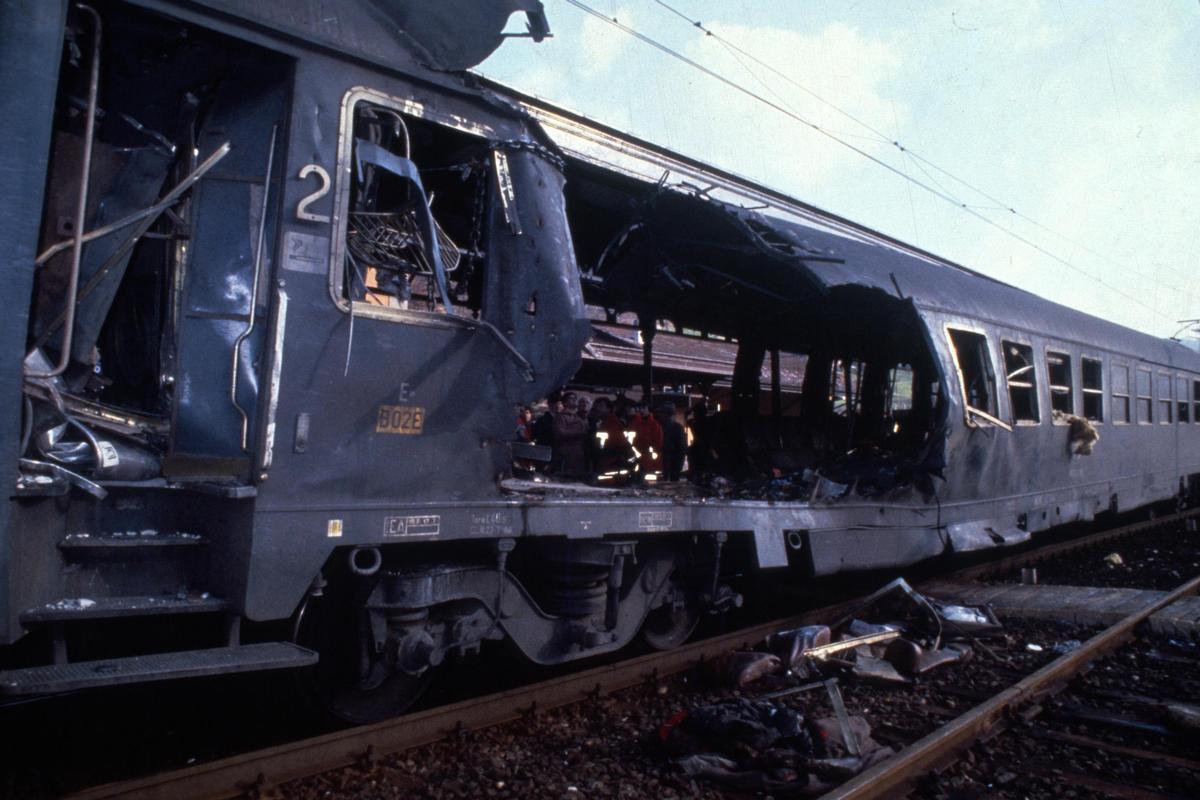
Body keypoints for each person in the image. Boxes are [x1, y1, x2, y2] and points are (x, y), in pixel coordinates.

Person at [552, 391, 588, 477]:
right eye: (571, 398)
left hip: (578, 451)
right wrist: (578, 433)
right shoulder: (561, 417)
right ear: (564, 402)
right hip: (567, 450)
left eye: (575, 398)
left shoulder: (578, 417)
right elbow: (560, 432)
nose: (574, 400)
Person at [657, 403, 687, 481]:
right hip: (665, 461)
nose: (659, 415)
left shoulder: (676, 428)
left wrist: (679, 464)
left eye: (662, 413)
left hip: (672, 461)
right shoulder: (659, 426)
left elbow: (681, 448)